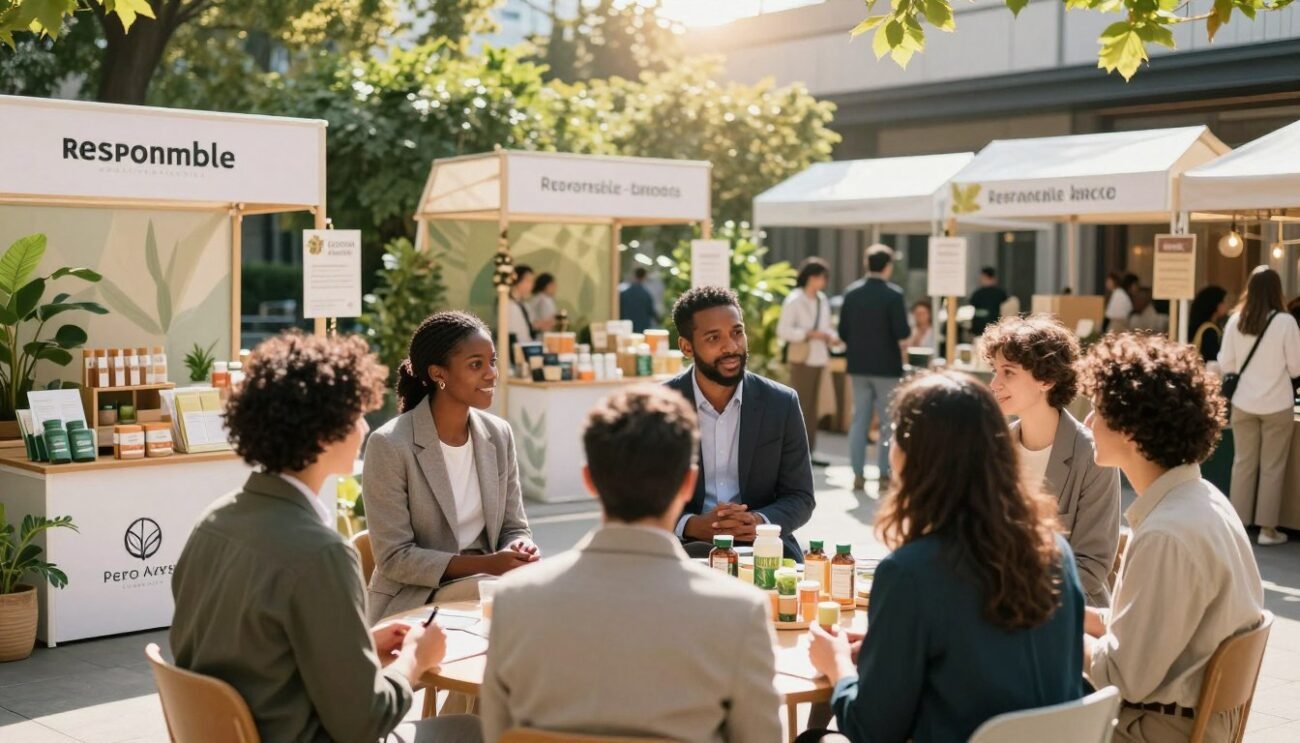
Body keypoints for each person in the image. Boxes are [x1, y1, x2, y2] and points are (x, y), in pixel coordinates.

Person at [170, 332, 482, 743]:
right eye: (355, 415)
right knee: (473, 731)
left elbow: (249, 652)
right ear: (323, 434)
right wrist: (415, 659)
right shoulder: (322, 554)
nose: (365, 426)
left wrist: (359, 644)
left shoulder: (212, 523)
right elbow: (364, 724)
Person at [481, 386, 781, 742]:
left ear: (589, 479)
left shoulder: (514, 600)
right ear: (689, 482)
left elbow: (497, 733)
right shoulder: (739, 612)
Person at [803, 372, 1084, 743]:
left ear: (912, 457)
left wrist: (836, 663)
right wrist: (889, 644)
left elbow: (872, 730)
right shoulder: (1055, 551)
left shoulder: (909, 573)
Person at [1080, 333, 1264, 742]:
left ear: (1130, 428)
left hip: (1153, 729)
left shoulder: (1165, 534)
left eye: (1096, 409)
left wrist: (1050, 632)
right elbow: (1153, 626)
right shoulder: (1201, 499)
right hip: (1187, 721)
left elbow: (1124, 676)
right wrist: (1072, 614)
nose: (1088, 422)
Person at [364, 311, 539, 622]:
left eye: (492, 361)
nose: (491, 373)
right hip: (416, 597)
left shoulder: (498, 435)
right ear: (437, 374)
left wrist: (519, 549)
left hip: (488, 583)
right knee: (518, 603)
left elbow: (514, 526)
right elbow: (394, 558)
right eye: (476, 364)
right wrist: (489, 565)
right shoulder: (390, 444)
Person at [664, 286, 815, 559]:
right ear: (687, 347)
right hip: (684, 551)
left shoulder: (781, 403)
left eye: (737, 332)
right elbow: (642, 499)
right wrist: (693, 525)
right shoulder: (660, 406)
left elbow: (800, 497)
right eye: (714, 337)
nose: (732, 347)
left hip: (764, 549)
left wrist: (758, 522)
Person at [983, 315, 1121, 607]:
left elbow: (1091, 567)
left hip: (1067, 612)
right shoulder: (994, 449)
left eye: (1008, 372)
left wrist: (1018, 600)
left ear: (1046, 379)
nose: (994, 383)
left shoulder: (1093, 455)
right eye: (995, 371)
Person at [1218, 266, 1300, 546]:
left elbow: (1226, 363)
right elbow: (1296, 367)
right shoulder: (1286, 322)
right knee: (1272, 467)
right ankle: (1267, 530)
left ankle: (1239, 526)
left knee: (1243, 463)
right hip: (1277, 403)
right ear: (1277, 291)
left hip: (1244, 402)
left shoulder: (1235, 321)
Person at [839, 244, 910, 492]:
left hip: (858, 364)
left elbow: (842, 332)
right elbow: (902, 332)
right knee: (888, 421)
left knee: (859, 419)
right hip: (887, 367)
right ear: (888, 266)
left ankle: (857, 474)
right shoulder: (894, 295)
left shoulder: (852, 293)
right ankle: (884, 474)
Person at [777, 257, 839, 467]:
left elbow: (827, 326)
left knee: (814, 410)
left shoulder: (822, 300)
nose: (824, 281)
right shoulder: (794, 300)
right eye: (821, 277)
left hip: (819, 358)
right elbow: (783, 331)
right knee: (800, 408)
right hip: (802, 359)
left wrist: (829, 336)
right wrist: (808, 333)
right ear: (811, 277)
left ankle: (810, 452)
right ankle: (795, 455)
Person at [1189, 285, 1230, 363]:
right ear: (1216, 305)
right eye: (1223, 302)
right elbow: (1212, 361)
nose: (1226, 305)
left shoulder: (1203, 327)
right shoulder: (1209, 331)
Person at [968, 266, 1009, 336]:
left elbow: (972, 305)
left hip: (978, 329)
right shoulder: (1000, 293)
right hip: (995, 328)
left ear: (985, 277)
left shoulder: (977, 294)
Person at [619, 266, 659, 333]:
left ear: (634, 275)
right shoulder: (646, 295)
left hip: (627, 328)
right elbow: (652, 312)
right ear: (644, 277)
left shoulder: (624, 294)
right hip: (642, 329)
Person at [506, 265, 537, 344]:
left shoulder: (523, 305)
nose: (531, 286)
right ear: (517, 281)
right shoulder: (510, 306)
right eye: (528, 281)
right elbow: (517, 338)